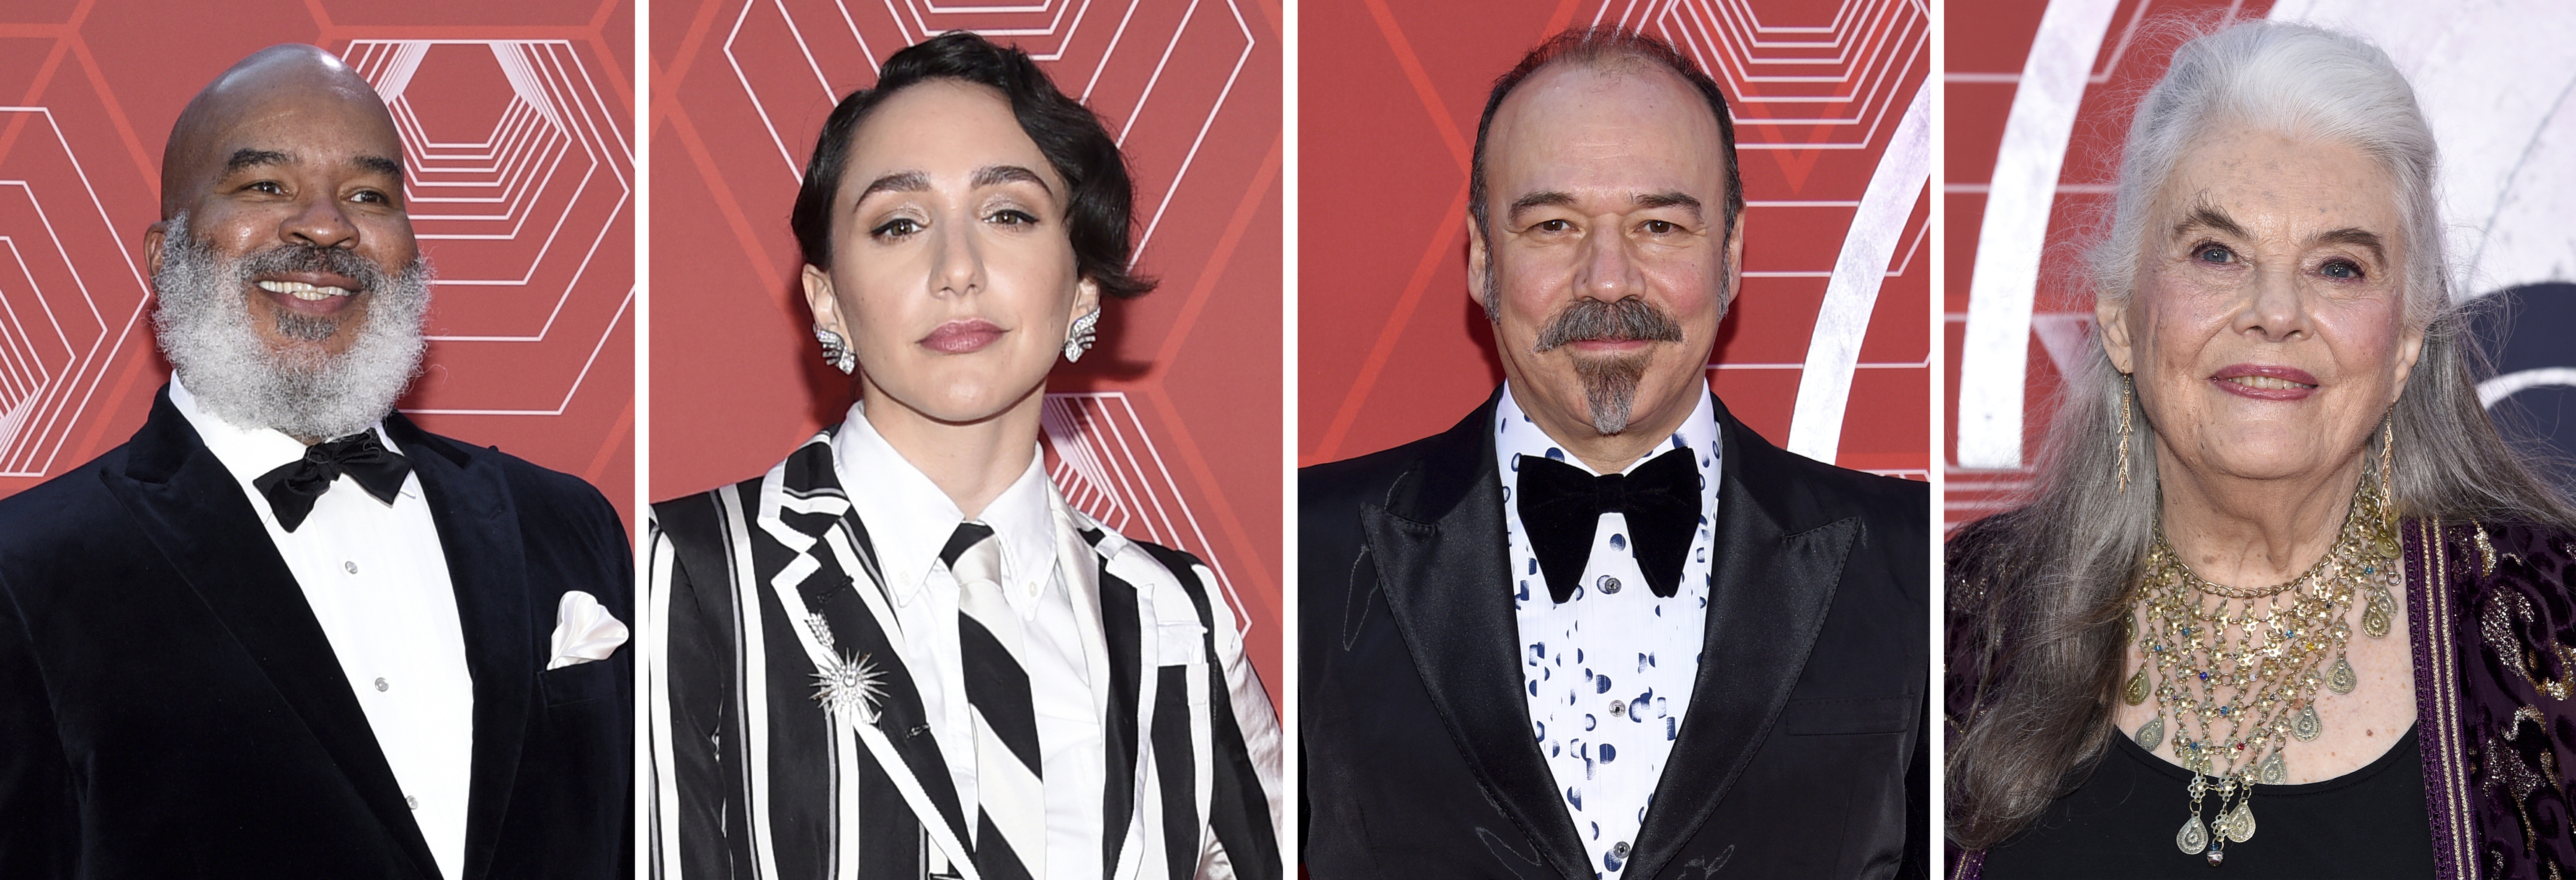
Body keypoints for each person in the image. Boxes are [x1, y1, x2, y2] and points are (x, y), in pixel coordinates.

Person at [641, 31, 1282, 880]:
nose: (958, 270)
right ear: (827, 299)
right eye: (899, 224)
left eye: (1008, 213)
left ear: (1083, 283)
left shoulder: (1173, 617)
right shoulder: (691, 573)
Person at [1946, 20, 2576, 879]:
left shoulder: (2550, 633)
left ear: (2404, 345)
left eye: (2340, 267)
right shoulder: (1968, 615)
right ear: (2122, 317)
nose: (2275, 310)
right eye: (2216, 252)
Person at [1300, 26, 1928, 880]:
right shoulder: (1313, 549)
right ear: (1483, 260)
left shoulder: (1912, 561)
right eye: (1555, 225)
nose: (1607, 278)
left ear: (1732, 257)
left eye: (1660, 225)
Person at [0, 44, 632, 878]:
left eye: (370, 195)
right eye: (266, 186)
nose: (326, 225)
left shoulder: (565, 523)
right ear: (165, 258)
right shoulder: (29, 567)